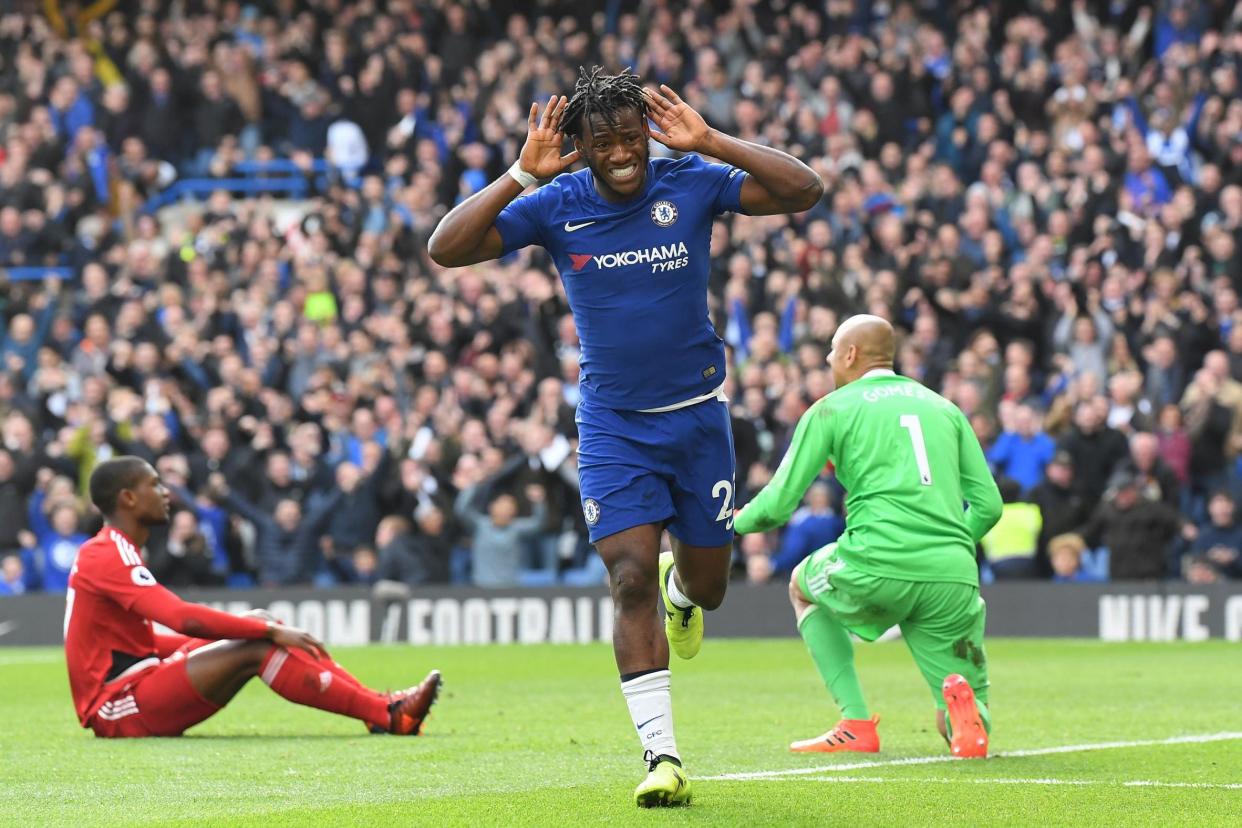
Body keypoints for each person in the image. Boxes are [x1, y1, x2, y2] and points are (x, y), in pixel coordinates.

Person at [429, 66, 822, 807]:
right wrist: (517, 174)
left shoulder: (694, 181)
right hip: (612, 427)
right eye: (602, 139)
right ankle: (662, 755)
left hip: (700, 419)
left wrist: (714, 140)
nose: (620, 152)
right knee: (628, 578)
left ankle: (685, 589)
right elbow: (446, 249)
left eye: (629, 135)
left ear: (648, 134)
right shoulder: (555, 205)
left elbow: (805, 191)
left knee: (706, 587)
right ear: (578, 146)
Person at [734, 315, 1001, 760]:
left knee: (803, 587)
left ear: (851, 355)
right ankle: (966, 715)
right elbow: (989, 505)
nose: (828, 359)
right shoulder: (945, 408)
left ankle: (855, 722)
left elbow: (779, 505)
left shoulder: (831, 409)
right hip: (952, 573)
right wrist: (948, 546)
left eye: (833, 351)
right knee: (952, 716)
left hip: (877, 560)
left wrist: (731, 524)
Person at [64, 456, 441, 738]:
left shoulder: (114, 550)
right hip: (116, 707)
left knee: (259, 622)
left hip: (138, 686)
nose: (167, 493)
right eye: (156, 484)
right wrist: (261, 634)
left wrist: (254, 628)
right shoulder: (106, 553)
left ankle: (382, 708)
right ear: (129, 498)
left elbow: (143, 643)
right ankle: (389, 714)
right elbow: (181, 617)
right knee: (258, 643)